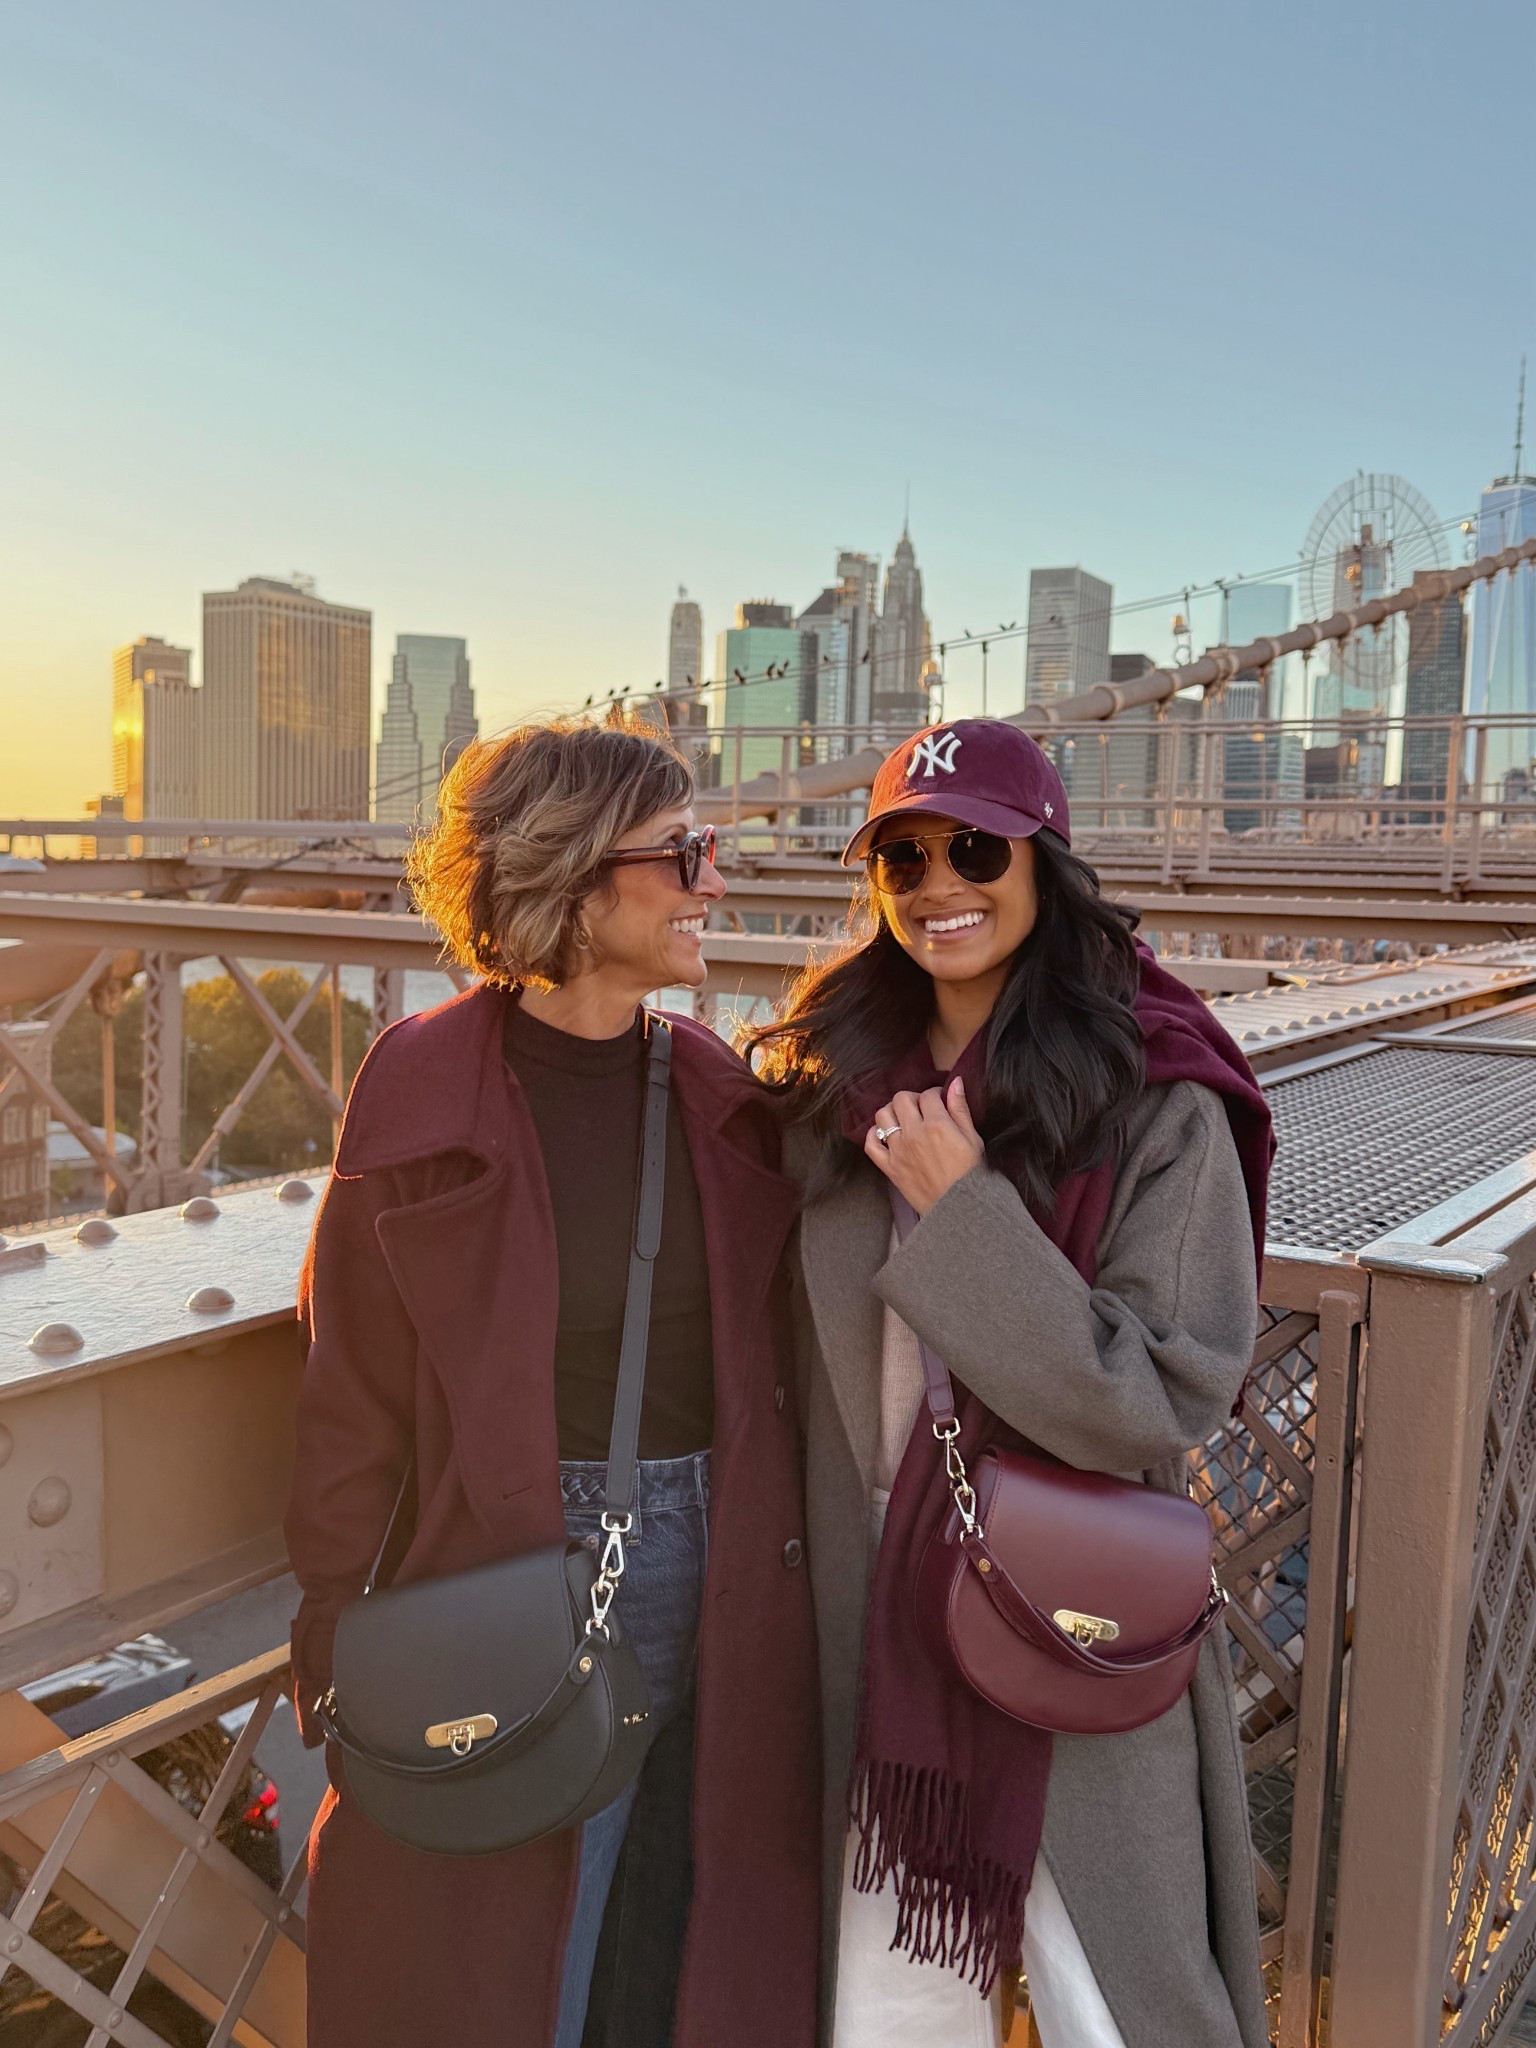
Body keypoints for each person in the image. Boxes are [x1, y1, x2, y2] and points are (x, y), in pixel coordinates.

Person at [285, 716, 820, 2048]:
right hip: (531, 1555)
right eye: (685, 853)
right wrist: (332, 1607)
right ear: (579, 876)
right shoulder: (421, 1087)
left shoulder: (713, 1085)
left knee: (685, 1903)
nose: (714, 883)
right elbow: (352, 1377)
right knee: (524, 1938)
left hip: (741, 1555)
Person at [751, 717, 1272, 2048]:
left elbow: (1159, 1395)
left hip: (1074, 1624)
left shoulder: (1158, 1096)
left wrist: (967, 1211)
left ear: (1045, 861)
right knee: (888, 2021)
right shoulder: (831, 1086)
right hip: (880, 1629)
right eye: (903, 857)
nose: (939, 883)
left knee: (1126, 2016)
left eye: (977, 847)